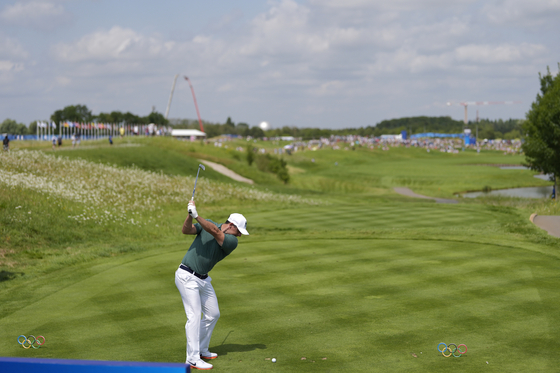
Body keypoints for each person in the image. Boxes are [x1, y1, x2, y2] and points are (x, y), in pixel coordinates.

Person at [175, 200, 249, 370]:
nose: (239, 236)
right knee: (194, 316)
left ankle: (201, 349)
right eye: (239, 231)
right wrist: (189, 216)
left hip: (203, 279)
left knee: (213, 314)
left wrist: (197, 215)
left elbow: (215, 231)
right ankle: (192, 358)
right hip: (186, 276)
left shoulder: (231, 242)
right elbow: (186, 230)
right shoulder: (208, 225)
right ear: (231, 225)